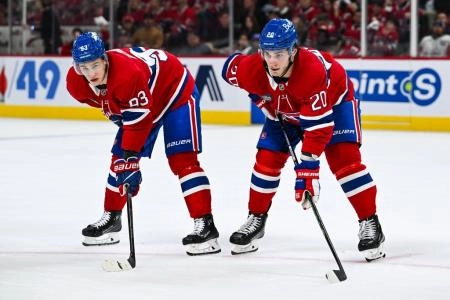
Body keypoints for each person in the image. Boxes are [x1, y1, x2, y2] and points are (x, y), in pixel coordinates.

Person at [221, 18, 385, 262]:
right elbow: (229, 69)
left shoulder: (311, 72)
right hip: (285, 112)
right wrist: (261, 99)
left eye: (279, 53)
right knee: (266, 160)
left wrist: (308, 172)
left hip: (335, 106)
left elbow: (318, 130)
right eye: (267, 53)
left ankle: (370, 223)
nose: (272, 61)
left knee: (345, 163)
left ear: (293, 51)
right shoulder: (251, 68)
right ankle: (256, 219)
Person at [66, 32, 220, 256]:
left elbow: (137, 124)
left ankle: (205, 225)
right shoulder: (76, 84)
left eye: (95, 65)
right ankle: (112, 218)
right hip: (143, 99)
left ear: (105, 60)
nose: (91, 74)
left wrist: (132, 160)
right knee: (119, 159)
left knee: (183, 160)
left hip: (173, 91)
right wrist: (127, 159)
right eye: (84, 68)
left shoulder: (127, 75)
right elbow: (119, 110)